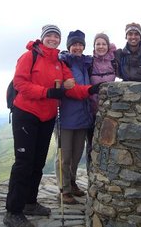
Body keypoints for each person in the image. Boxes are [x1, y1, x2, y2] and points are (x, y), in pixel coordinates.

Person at [4, 25, 100, 227]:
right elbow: (20, 84)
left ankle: (30, 202)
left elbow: (71, 88)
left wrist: (91, 89)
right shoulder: (29, 56)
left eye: (56, 36)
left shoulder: (59, 62)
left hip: (46, 118)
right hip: (26, 114)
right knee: (23, 163)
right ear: (43, 38)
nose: (53, 39)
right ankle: (13, 211)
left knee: (38, 162)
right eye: (50, 35)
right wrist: (47, 92)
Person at [55, 29, 93, 205]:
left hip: (83, 116)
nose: (77, 47)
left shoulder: (86, 63)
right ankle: (64, 190)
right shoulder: (64, 63)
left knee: (77, 155)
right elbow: (69, 89)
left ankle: (71, 182)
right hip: (66, 116)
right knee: (65, 156)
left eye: (80, 44)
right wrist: (90, 90)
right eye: (74, 44)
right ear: (69, 46)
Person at [86, 33, 117, 170]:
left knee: (109, 144)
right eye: (98, 44)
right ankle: (90, 175)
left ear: (108, 45)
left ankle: (105, 176)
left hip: (109, 111)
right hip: (91, 111)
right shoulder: (89, 62)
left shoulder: (114, 61)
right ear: (93, 46)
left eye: (103, 44)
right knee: (91, 144)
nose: (101, 46)